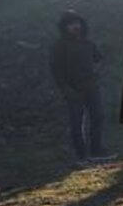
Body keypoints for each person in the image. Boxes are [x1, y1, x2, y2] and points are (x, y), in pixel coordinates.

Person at [49, 10, 115, 164]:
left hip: (92, 88)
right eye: (71, 24)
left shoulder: (88, 43)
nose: (75, 26)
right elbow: (56, 71)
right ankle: (81, 156)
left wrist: (97, 73)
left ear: (82, 24)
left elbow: (100, 59)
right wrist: (66, 90)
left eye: (77, 23)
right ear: (64, 27)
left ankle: (96, 151)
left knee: (97, 118)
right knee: (77, 124)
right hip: (73, 91)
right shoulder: (60, 46)